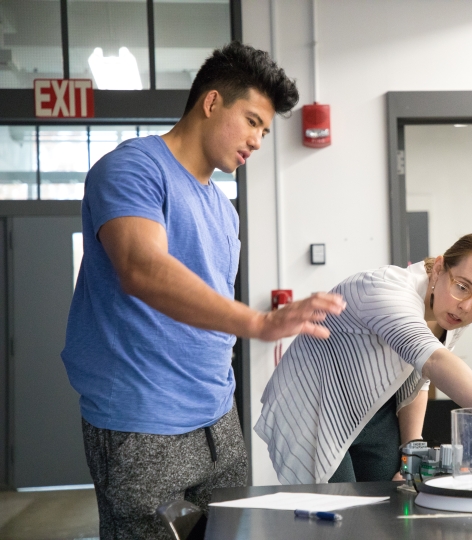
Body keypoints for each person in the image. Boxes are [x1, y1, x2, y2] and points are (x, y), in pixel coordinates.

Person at [61, 42, 345, 539]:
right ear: (211, 103)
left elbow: (205, 305)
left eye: (265, 130)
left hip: (218, 419)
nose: (258, 140)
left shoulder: (223, 209)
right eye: (253, 121)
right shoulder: (133, 168)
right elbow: (142, 268)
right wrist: (257, 323)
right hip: (142, 421)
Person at [255, 233, 472, 484]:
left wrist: (411, 448)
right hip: (315, 406)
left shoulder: (450, 312)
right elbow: (433, 360)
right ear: (439, 268)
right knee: (341, 515)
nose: (467, 306)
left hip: (375, 409)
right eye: (462, 286)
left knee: (387, 506)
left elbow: (420, 376)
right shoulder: (387, 289)